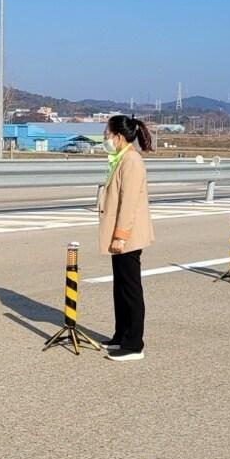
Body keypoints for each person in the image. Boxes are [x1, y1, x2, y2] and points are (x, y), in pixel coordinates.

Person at [97, 115, 155, 360]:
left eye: (107, 135)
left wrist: (120, 235)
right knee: (120, 286)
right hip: (120, 234)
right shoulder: (119, 158)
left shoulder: (131, 160)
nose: (105, 139)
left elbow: (129, 202)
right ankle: (121, 335)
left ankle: (134, 344)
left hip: (128, 235)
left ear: (118, 137)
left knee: (130, 288)